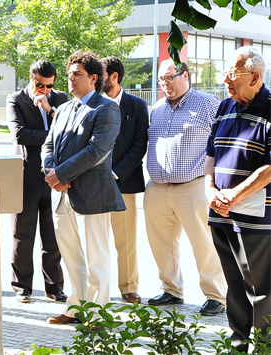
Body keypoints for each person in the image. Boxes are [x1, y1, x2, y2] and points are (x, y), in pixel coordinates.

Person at [41, 50, 125, 324]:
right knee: (71, 254)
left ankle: (98, 315)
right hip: (62, 196)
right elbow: (48, 145)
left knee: (96, 257)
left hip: (92, 194)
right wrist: (51, 171)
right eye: (69, 74)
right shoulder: (64, 108)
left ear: (94, 78)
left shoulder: (107, 107)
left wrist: (62, 174)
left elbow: (97, 150)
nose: (71, 79)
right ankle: (76, 307)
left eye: (77, 74)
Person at [144, 59, 226, 316]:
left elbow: (221, 144)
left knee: (204, 243)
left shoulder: (208, 104)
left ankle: (215, 295)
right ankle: (171, 290)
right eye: (161, 80)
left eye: (169, 78)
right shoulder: (157, 108)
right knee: (161, 243)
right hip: (157, 187)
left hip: (193, 185)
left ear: (185, 75)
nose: (164, 84)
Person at [204, 46, 271, 352]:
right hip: (220, 215)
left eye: (233, 73)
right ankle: (238, 347)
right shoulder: (222, 108)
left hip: (255, 219)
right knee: (234, 289)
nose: (226, 79)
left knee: (261, 291)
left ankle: (263, 348)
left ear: (255, 77)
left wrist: (233, 194)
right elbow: (210, 156)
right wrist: (210, 190)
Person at [6, 60, 67, 304]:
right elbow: (20, 134)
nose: (45, 90)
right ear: (32, 79)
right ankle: (22, 287)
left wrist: (50, 109)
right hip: (25, 175)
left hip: (55, 176)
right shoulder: (16, 99)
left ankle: (54, 286)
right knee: (23, 234)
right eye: (40, 85)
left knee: (52, 236)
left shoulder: (59, 99)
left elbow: (67, 132)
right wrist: (52, 136)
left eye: (49, 85)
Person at [101, 57, 149, 304]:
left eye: (101, 75)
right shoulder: (91, 104)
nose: (97, 80)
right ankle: (97, 291)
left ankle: (128, 287)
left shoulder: (137, 106)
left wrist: (115, 173)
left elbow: (139, 145)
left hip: (125, 182)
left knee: (126, 239)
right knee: (96, 240)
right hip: (94, 184)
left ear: (115, 77)